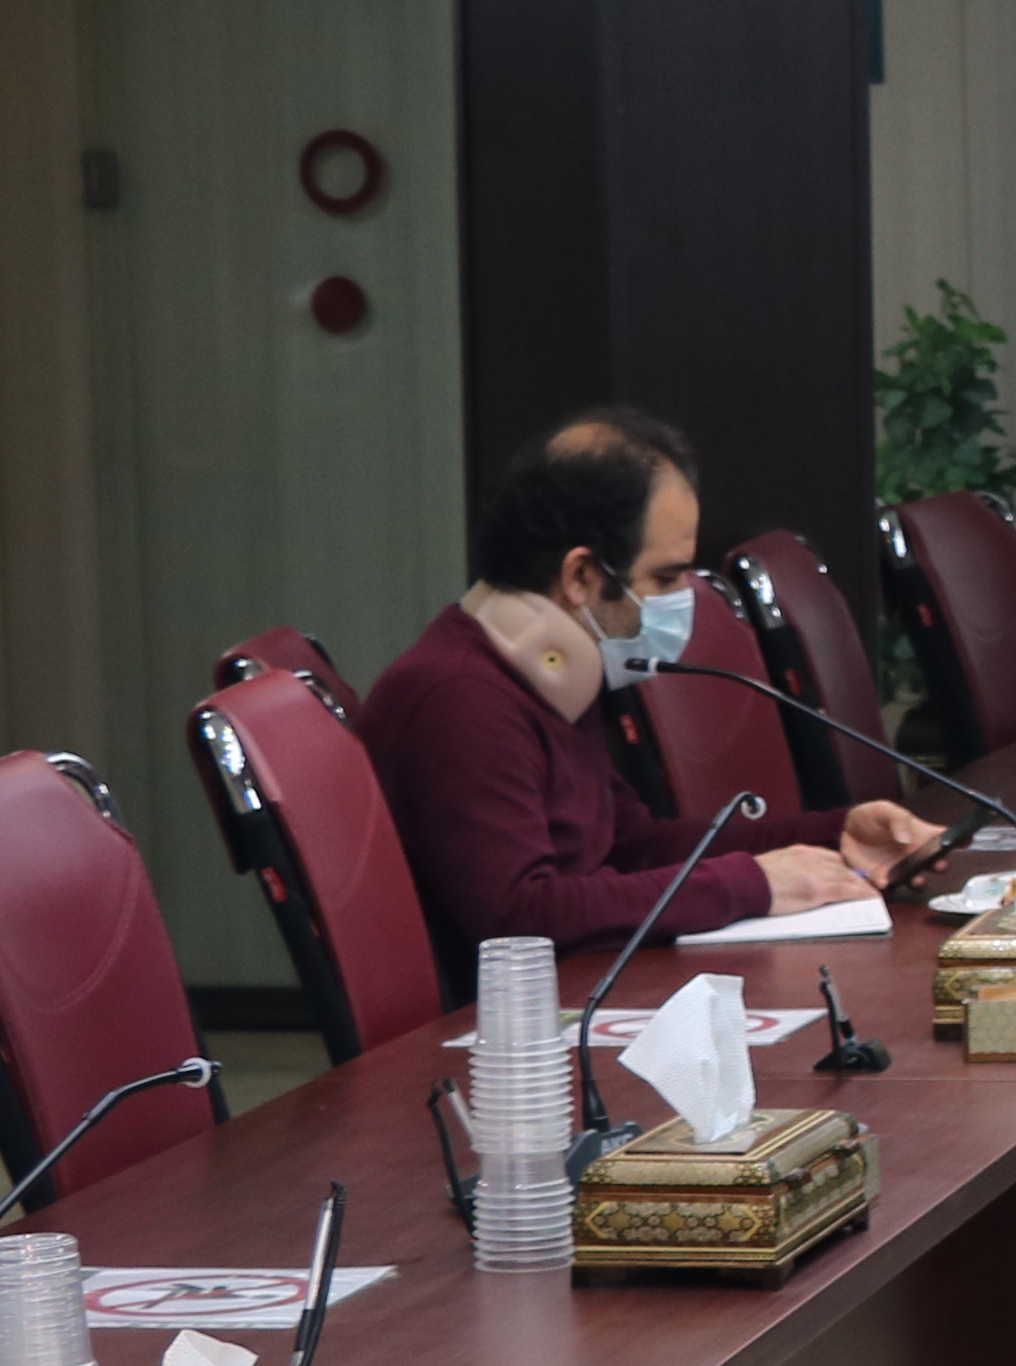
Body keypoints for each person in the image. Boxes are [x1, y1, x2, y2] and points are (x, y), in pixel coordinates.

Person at [372, 410, 945, 974]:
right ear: (580, 577)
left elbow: (629, 845)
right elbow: (520, 916)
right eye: (666, 577)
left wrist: (832, 837)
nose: (682, 597)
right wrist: (752, 883)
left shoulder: (545, 673)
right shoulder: (460, 698)